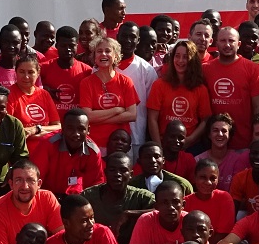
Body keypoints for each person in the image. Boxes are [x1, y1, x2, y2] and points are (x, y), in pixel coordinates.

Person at [202, 25, 259, 150]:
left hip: (243, 143)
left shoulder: (252, 68)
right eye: (223, 40)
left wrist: (255, 137)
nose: (227, 45)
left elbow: (258, 107)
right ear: (216, 43)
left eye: (231, 41)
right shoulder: (205, 69)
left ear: (239, 44)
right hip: (213, 144)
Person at [81, 151, 155, 244]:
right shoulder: (88, 196)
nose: (117, 174)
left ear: (131, 174)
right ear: (105, 172)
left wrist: (129, 214)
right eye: (112, 170)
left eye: (123, 170)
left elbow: (162, 209)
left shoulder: (140, 196)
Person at [77, 38, 140, 152]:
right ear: (94, 56)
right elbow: (88, 116)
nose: (103, 54)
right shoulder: (86, 83)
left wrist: (98, 119)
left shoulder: (126, 81)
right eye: (99, 51)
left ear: (116, 56)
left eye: (108, 51)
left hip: (120, 145)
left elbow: (132, 115)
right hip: (95, 145)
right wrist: (116, 110)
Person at [0, 158, 62, 244]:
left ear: (39, 184)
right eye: (18, 180)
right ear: (11, 184)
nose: (25, 186)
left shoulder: (47, 198)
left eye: (30, 180)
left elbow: (62, 238)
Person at [147, 40, 212, 147]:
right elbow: (152, 118)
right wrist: (159, 147)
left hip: (191, 146)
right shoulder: (159, 85)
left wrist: (190, 139)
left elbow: (205, 119)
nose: (180, 60)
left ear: (192, 60)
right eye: (177, 56)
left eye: (185, 57)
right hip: (164, 144)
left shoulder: (200, 89)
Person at [31, 109, 105, 198]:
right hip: (47, 196)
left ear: (88, 130)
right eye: (70, 128)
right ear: (62, 128)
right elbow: (34, 180)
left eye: (81, 129)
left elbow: (95, 187)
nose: (76, 134)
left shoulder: (93, 151)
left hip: (75, 198)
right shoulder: (47, 144)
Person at [115, 22, 158, 153]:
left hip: (137, 137)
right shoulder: (102, 67)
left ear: (138, 40)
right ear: (117, 37)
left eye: (132, 37)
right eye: (124, 36)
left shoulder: (147, 70)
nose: (128, 40)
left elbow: (152, 110)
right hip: (109, 136)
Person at [127, 179, 186, 244]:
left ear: (183, 204)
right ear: (156, 206)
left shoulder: (190, 222)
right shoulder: (146, 221)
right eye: (165, 203)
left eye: (175, 202)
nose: (171, 207)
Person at [6, 51, 60, 139]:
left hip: (46, 146)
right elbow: (8, 130)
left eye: (31, 72)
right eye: (22, 72)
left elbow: (58, 126)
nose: (26, 76)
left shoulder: (44, 94)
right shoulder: (8, 95)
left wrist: (36, 129)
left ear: (38, 73)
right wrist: (40, 132)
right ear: (15, 72)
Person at [41, 26, 93, 110]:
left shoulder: (87, 71)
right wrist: (42, 89)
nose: (68, 49)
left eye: (71, 46)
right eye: (63, 45)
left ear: (77, 46)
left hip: (77, 118)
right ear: (57, 46)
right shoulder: (43, 68)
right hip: (52, 118)